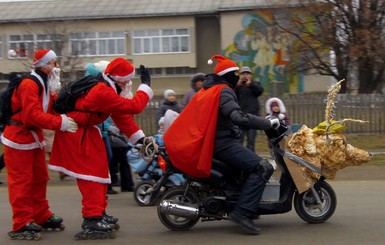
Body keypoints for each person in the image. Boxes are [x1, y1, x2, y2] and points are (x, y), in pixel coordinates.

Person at [164, 55, 279, 235]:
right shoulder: (223, 90)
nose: (239, 77)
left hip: (217, 142)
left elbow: (222, 119)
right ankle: (242, 212)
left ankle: (245, 203)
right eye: (236, 73)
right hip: (223, 144)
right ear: (229, 74)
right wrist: (267, 123)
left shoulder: (209, 89)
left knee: (247, 169)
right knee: (262, 167)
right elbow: (237, 116)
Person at [48, 57, 153, 240]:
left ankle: (98, 213)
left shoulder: (108, 88)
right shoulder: (102, 91)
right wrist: (145, 87)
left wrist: (140, 140)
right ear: (119, 78)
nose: (129, 83)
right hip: (77, 134)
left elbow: (123, 117)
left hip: (85, 132)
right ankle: (92, 219)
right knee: (91, 177)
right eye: (128, 79)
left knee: (101, 174)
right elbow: (134, 106)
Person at [1, 49, 78, 240]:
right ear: (44, 65)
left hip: (32, 137)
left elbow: (50, 109)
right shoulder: (30, 84)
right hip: (19, 137)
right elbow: (31, 115)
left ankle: (40, 215)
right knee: (21, 182)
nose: (57, 67)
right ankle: (21, 223)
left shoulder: (44, 84)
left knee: (40, 178)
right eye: (54, 63)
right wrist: (60, 122)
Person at [235, 66, 264, 152]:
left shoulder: (255, 83)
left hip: (252, 117)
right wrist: (237, 86)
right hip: (241, 117)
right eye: (243, 74)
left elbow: (260, 91)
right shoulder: (238, 85)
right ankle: (239, 158)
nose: (245, 76)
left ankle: (251, 159)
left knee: (251, 142)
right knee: (239, 141)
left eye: (247, 74)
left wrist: (251, 85)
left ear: (250, 75)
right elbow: (232, 93)